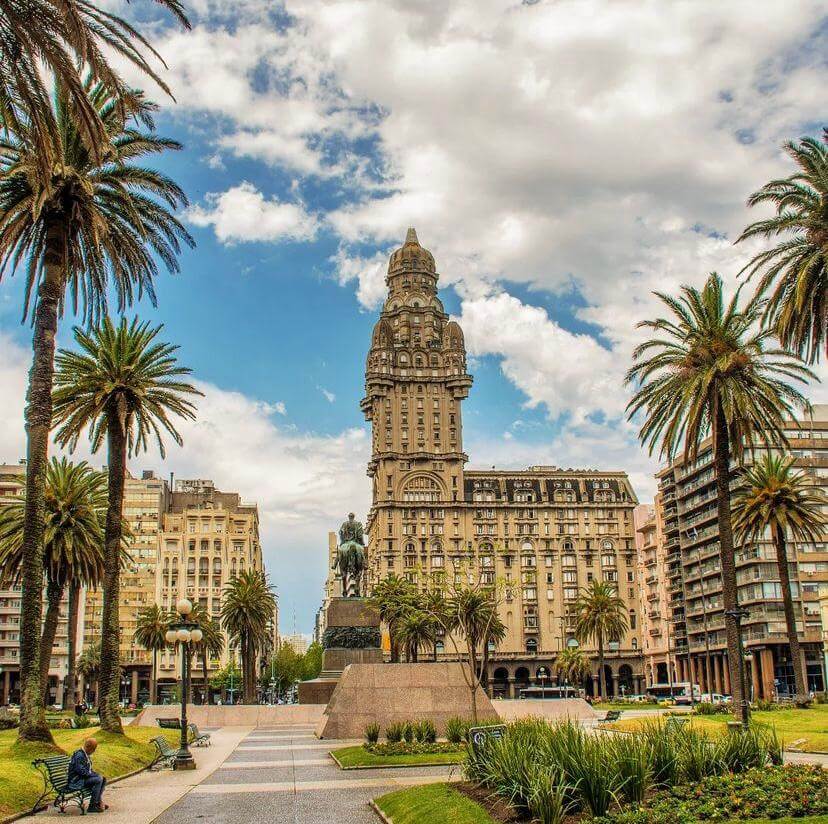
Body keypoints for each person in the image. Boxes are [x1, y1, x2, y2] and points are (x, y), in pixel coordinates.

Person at [67, 738, 107, 813]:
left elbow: (87, 770)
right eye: (93, 749)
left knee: (103, 779)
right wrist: (94, 775)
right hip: (76, 781)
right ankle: (92, 806)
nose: (94, 751)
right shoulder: (80, 755)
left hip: (82, 778)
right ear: (88, 747)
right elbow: (82, 772)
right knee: (98, 780)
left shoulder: (84, 754)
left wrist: (95, 774)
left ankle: (97, 802)